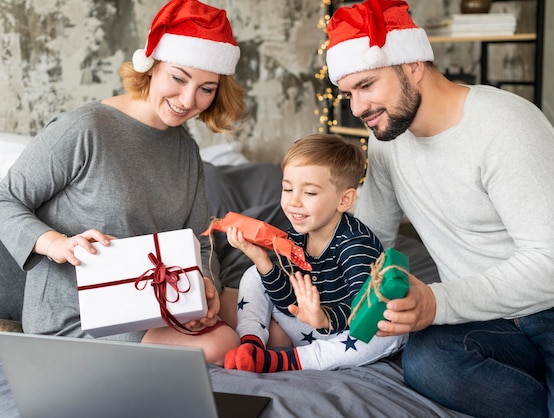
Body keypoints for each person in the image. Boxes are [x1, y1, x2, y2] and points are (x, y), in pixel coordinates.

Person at [0, 0, 247, 366]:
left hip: (154, 305)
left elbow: (197, 239)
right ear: (151, 65)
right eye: (179, 78)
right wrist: (57, 243)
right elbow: (0, 202)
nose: (188, 100)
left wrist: (203, 285)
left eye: (207, 88)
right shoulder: (85, 128)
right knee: (221, 344)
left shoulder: (186, 149)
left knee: (251, 317)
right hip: (78, 317)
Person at [325, 0, 554, 417]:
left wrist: (436, 302)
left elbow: (549, 262)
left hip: (549, 309)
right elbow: (370, 238)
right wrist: (293, 275)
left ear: (412, 64)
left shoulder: (506, 127)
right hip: (486, 318)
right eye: (348, 93)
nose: (357, 108)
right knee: (428, 361)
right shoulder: (386, 141)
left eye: (367, 86)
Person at [223, 134, 407, 373]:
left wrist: (324, 318)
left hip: (346, 333)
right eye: (287, 189)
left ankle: (284, 361)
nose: (294, 202)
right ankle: (250, 343)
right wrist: (260, 260)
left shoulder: (355, 244)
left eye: (309, 193)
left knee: (390, 333)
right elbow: (288, 300)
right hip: (307, 326)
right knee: (253, 273)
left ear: (344, 200)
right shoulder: (295, 237)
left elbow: (363, 307)